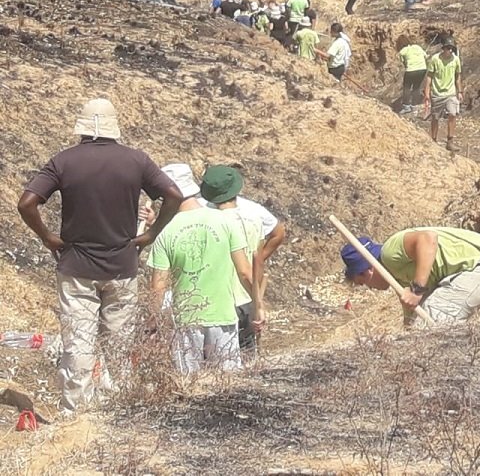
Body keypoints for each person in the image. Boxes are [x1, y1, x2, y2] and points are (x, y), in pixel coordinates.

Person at [16, 99, 184, 412]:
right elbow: (174, 195)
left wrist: (48, 237)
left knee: (79, 341)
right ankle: (116, 405)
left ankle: (78, 411)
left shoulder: (65, 161)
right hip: (122, 266)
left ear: (81, 127)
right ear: (113, 127)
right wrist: (151, 234)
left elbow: (26, 203)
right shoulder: (136, 161)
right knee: (118, 343)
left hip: (77, 266)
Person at [148, 165, 259, 375]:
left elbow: (158, 288)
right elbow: (245, 272)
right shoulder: (225, 221)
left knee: (190, 388)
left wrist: (154, 324)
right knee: (228, 386)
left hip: (186, 321)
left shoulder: (166, 232)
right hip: (223, 316)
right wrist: (260, 306)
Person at [200, 165, 285, 360]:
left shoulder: (204, 219)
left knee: (215, 364)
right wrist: (259, 303)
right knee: (247, 359)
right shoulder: (254, 217)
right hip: (245, 296)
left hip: (215, 300)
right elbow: (255, 262)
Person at [341, 227, 480, 325]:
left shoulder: (389, 253)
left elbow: (427, 238)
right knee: (419, 331)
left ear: (367, 270)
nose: (371, 288)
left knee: (427, 332)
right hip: (475, 270)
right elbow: (412, 315)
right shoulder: (400, 275)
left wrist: (417, 289)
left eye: (363, 283)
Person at [424, 40, 462, 149]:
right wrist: (427, 93)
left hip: (450, 93)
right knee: (435, 117)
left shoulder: (455, 60)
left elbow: (458, 76)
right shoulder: (435, 59)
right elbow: (429, 76)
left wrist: (460, 91)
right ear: (443, 48)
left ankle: (450, 141)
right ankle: (434, 140)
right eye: (448, 48)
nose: (450, 51)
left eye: (451, 49)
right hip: (437, 93)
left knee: (453, 114)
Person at [397, 38, 428, 113]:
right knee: (416, 87)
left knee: (407, 87)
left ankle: (406, 106)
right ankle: (414, 106)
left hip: (411, 70)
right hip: (422, 69)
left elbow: (404, 63)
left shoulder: (402, 51)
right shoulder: (417, 47)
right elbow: (426, 56)